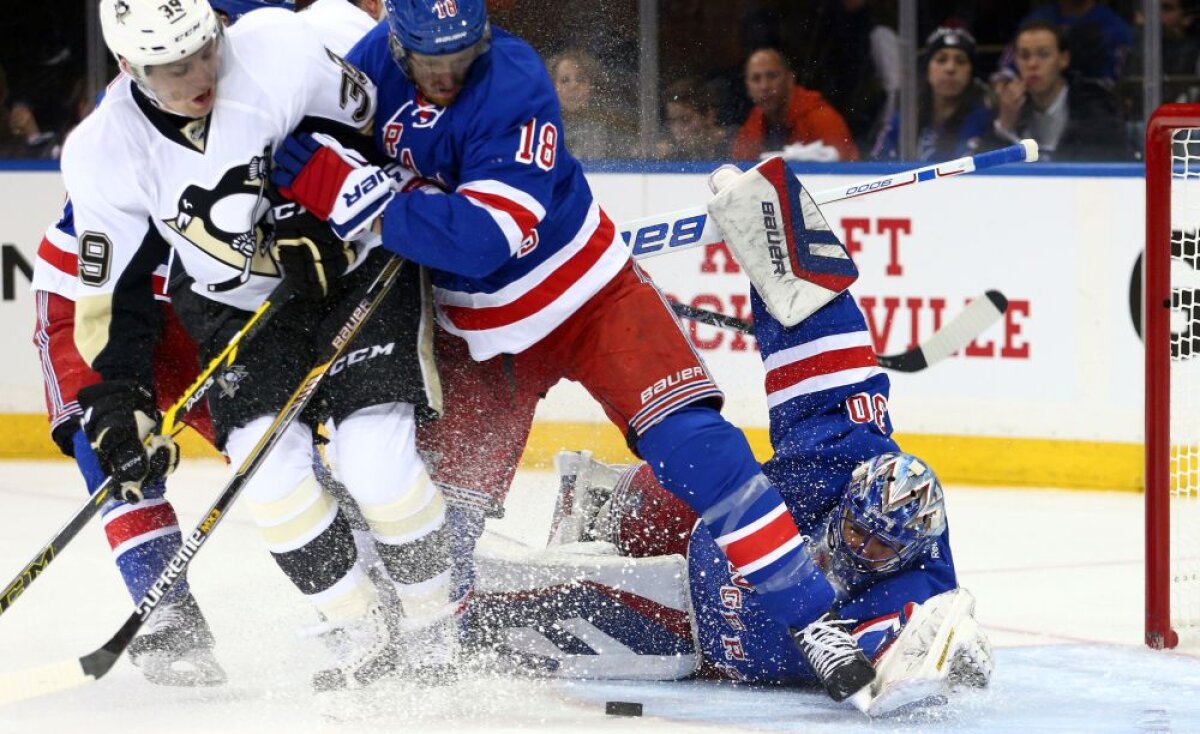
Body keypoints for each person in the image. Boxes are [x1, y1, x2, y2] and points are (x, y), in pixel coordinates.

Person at [272, 0, 893, 702]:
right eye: (428, 57)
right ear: (394, 36)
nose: (447, 74)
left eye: (461, 53)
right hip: (475, 339)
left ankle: (813, 620)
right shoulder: (367, 72)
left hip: (589, 302)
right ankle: (412, 636)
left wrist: (347, 192)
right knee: (437, 518)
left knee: (700, 449)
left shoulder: (513, 81)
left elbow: (479, 242)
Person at [464, 188, 992, 713]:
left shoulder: (917, 587)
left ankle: (439, 609)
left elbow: (898, 653)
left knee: (527, 618)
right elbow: (828, 367)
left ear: (910, 552)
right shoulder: (843, 457)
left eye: (881, 549)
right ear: (848, 503)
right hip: (703, 528)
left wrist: (939, 660)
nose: (862, 550)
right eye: (858, 530)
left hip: (692, 631)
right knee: (693, 474)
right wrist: (776, 228)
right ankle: (594, 501)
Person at [62, 0, 452, 692]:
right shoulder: (100, 151)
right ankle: (365, 632)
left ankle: (433, 629)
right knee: (270, 481)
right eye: (173, 67)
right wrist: (120, 396)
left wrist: (318, 213)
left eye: (204, 48)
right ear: (128, 67)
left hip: (357, 270)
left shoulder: (277, 45)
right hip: (236, 308)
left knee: (376, 463)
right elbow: (112, 291)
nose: (199, 74)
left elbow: (379, 131)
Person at [986, 20, 1130, 161]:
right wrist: (1005, 126)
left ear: (1064, 59)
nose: (1032, 64)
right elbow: (980, 172)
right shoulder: (1007, 106)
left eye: (1043, 54)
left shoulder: (1094, 106)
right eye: (1024, 56)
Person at [873, 27, 993, 162]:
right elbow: (877, 165)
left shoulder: (985, 121)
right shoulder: (905, 118)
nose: (950, 68)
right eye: (941, 60)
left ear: (971, 72)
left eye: (960, 61)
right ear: (928, 69)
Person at [731, 47, 859, 162]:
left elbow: (851, 170)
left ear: (790, 79)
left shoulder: (820, 117)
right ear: (747, 87)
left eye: (772, 76)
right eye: (756, 79)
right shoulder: (755, 120)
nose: (764, 86)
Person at [546, 49, 637, 161]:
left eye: (581, 79)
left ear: (592, 86)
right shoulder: (541, 128)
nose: (574, 86)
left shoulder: (610, 126)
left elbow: (635, 151)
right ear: (552, 87)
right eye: (565, 80)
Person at [656, 77, 733, 161]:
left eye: (685, 120)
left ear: (709, 116)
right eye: (672, 121)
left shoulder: (736, 146)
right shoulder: (672, 153)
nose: (677, 130)